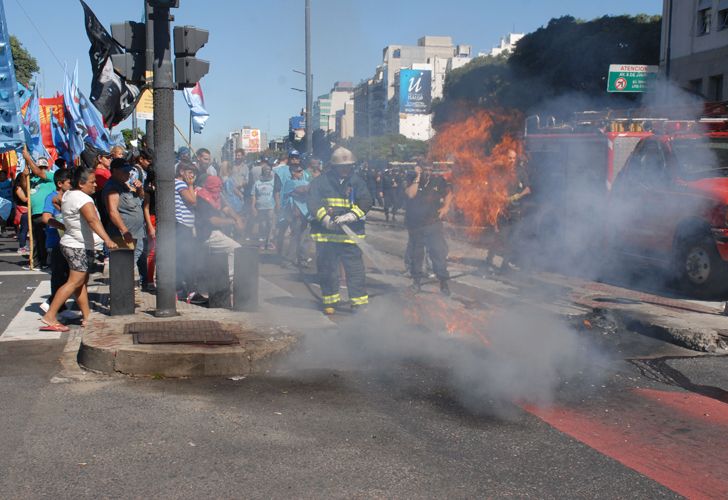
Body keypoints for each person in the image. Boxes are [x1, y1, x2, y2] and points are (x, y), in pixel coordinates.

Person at [40, 167, 118, 332]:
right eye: (92, 182)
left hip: (74, 244)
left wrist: (67, 223)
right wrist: (108, 240)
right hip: (78, 246)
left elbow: (56, 200)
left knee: (80, 282)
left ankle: (87, 316)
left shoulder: (69, 194)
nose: (95, 185)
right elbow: (92, 221)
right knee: (74, 282)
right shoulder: (83, 199)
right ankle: (50, 316)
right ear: (81, 184)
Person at [307, 146, 372, 314]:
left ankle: (358, 303)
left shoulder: (357, 182)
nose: (346, 169)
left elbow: (366, 201)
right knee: (327, 270)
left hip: (351, 236)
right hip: (326, 235)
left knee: (355, 271)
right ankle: (330, 301)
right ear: (334, 167)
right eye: (342, 167)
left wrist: (351, 216)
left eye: (349, 166)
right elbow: (313, 202)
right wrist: (325, 219)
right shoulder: (320, 182)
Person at [404, 162, 453, 295]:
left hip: (433, 224)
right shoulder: (411, 179)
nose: (428, 171)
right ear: (419, 169)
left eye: (430, 169)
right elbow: (410, 194)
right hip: (416, 226)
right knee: (417, 255)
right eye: (425, 169)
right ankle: (416, 282)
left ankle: (443, 283)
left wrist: (446, 207)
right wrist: (417, 177)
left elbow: (448, 194)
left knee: (438, 253)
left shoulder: (438, 181)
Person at [101, 158, 146, 287]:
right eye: (124, 171)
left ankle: (125, 290)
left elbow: (140, 198)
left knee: (129, 264)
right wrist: (124, 230)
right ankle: (121, 293)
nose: (128, 174)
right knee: (124, 265)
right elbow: (113, 212)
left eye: (129, 172)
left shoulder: (125, 185)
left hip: (135, 233)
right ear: (115, 171)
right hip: (124, 235)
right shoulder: (112, 188)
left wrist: (139, 188)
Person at [485, 148, 532, 272]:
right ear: (504, 158)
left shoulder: (520, 171)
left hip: (515, 210)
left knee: (512, 238)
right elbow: (492, 188)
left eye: (513, 158)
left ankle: (505, 264)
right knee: (501, 236)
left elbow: (527, 189)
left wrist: (516, 196)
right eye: (509, 158)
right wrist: (499, 197)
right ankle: (489, 259)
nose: (511, 160)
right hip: (501, 210)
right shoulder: (499, 171)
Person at [195, 175, 245, 278]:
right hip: (206, 234)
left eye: (219, 187)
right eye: (215, 187)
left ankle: (222, 277)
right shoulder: (202, 198)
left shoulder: (216, 196)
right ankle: (230, 279)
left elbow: (226, 209)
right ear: (208, 186)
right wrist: (232, 222)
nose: (217, 190)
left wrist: (237, 218)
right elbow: (213, 221)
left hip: (215, 232)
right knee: (235, 248)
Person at [40, 169, 72, 312]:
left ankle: (57, 304)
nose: (72, 185)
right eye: (69, 182)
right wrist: (64, 226)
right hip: (56, 241)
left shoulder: (70, 197)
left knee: (68, 274)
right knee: (59, 274)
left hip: (70, 241)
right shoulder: (51, 197)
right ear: (60, 183)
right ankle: (54, 305)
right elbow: (46, 218)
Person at [174, 160, 204, 303]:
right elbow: (192, 201)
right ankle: (190, 292)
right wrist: (191, 185)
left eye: (194, 173)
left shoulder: (179, 184)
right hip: (182, 226)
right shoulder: (180, 184)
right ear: (182, 172)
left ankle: (181, 290)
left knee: (183, 259)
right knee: (188, 260)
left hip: (184, 225)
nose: (193, 176)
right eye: (190, 172)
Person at [25, 150, 56, 269]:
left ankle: (46, 261)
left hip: (46, 213)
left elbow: (40, 173)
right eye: (40, 167)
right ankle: (37, 262)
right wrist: (24, 176)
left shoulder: (51, 176)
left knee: (45, 238)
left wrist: (28, 158)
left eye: (44, 167)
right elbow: (24, 187)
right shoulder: (33, 179)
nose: (42, 169)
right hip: (34, 213)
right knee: (36, 239)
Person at [280, 162, 311, 266]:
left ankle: (303, 259)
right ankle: (289, 259)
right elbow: (298, 191)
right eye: (298, 171)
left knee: (304, 237)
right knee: (295, 236)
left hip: (306, 213)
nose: (301, 173)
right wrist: (306, 189)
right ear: (293, 172)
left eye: (301, 171)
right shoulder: (289, 182)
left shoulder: (306, 182)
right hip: (295, 213)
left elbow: (305, 191)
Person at [251, 164, 275, 249]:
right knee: (263, 224)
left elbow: (276, 194)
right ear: (262, 171)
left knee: (270, 223)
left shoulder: (273, 181)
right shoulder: (257, 182)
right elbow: (253, 195)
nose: (267, 171)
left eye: (269, 169)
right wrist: (253, 206)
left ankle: (269, 242)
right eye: (265, 169)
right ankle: (263, 241)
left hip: (270, 205)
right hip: (260, 206)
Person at [13, 169, 29, 254]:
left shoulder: (23, 187)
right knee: (24, 230)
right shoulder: (18, 188)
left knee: (26, 229)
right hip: (23, 211)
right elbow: (24, 199)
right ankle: (22, 246)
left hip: (26, 210)